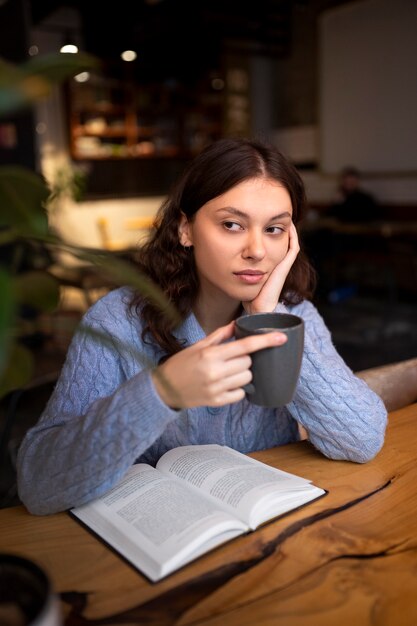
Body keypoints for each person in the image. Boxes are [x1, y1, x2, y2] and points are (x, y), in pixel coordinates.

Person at [16, 138, 387, 515]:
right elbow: (39, 484)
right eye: (232, 224)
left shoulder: (295, 314)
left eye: (274, 229)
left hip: (270, 529)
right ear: (185, 229)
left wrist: (266, 318)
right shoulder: (116, 322)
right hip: (156, 538)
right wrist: (160, 393)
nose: (257, 250)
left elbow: (362, 439)